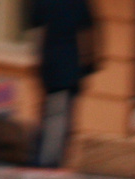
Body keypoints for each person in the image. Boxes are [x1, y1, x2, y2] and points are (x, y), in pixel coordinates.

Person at [28, 0, 98, 168]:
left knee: (49, 112)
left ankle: (42, 156)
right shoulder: (79, 3)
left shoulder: (43, 4)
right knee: (62, 114)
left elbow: (37, 32)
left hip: (50, 62)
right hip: (70, 66)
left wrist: (36, 61)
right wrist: (88, 65)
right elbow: (87, 33)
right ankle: (50, 160)